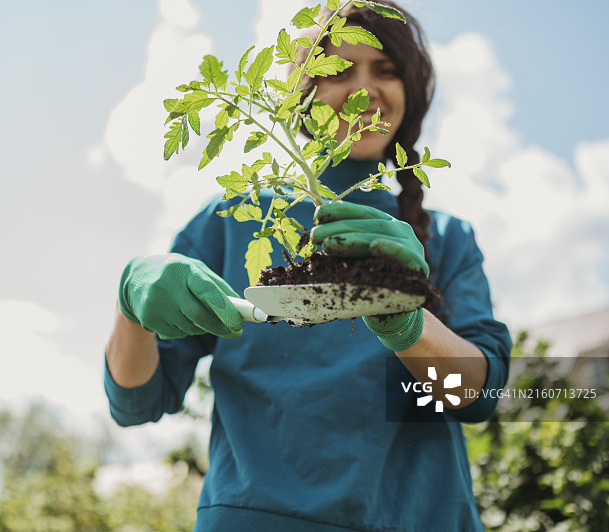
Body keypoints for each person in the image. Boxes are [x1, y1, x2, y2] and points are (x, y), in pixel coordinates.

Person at [104, 2, 512, 531]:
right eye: (339, 71)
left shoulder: (447, 238)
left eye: (385, 71)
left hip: (420, 516)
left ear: (408, 92)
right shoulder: (232, 221)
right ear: (304, 95)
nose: (364, 90)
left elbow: (477, 396)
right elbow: (137, 402)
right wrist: (130, 299)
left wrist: (407, 322)